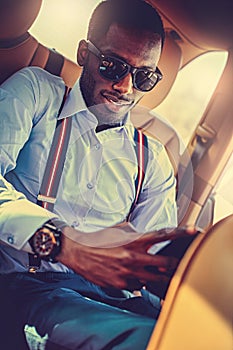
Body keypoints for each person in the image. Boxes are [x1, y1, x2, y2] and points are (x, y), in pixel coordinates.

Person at [0, 0, 181, 348]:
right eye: (113, 66)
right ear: (85, 53)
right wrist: (62, 244)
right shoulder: (37, 93)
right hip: (32, 287)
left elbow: (152, 257)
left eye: (144, 76)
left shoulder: (153, 159)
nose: (126, 87)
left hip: (119, 299)